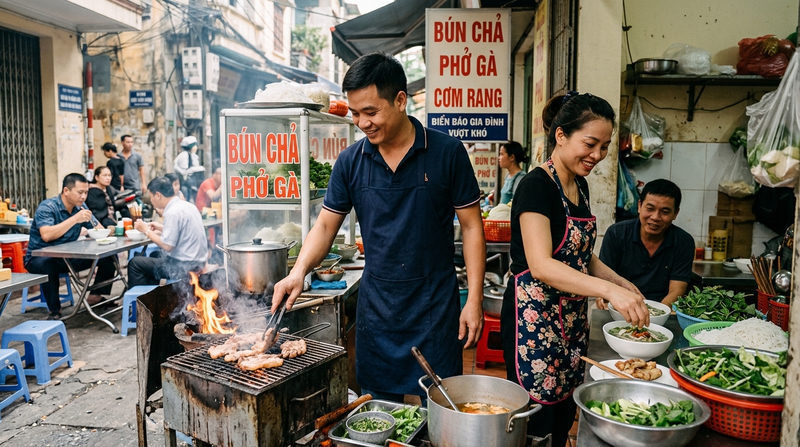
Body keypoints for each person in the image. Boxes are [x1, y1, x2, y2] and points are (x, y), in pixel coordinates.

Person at [272, 52, 486, 401]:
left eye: (371, 112)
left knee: (442, 410)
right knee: (382, 414)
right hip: (379, 310)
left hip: (433, 307)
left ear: (401, 100)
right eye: (356, 114)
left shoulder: (446, 153)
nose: (362, 123)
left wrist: (474, 297)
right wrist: (298, 272)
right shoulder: (351, 161)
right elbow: (326, 225)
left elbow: (473, 227)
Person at [500, 92, 649, 446]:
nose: (597, 155)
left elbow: (580, 254)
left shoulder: (579, 185)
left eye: (605, 146)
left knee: (564, 409)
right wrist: (609, 292)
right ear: (561, 136)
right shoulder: (536, 186)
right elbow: (542, 265)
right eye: (590, 144)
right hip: (532, 322)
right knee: (535, 420)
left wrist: (620, 282)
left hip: (569, 321)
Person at [24, 173, 117, 318]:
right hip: (38, 258)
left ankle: (95, 297)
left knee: (109, 255)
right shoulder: (48, 207)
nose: (83, 196)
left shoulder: (80, 207)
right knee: (49, 264)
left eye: (86, 192)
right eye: (80, 192)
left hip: (67, 256)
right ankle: (55, 311)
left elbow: (98, 228)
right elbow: (47, 235)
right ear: (66, 191)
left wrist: (109, 230)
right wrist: (75, 219)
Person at [598, 179, 694, 306]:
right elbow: (604, 279)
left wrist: (656, 314)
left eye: (665, 212)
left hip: (662, 308)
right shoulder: (616, 234)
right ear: (639, 206)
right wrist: (603, 298)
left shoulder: (683, 241)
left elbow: (677, 290)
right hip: (621, 306)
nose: (655, 217)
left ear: (675, 213)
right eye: (650, 208)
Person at [127, 176, 208, 287]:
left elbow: (167, 245)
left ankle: (138, 300)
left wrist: (145, 230)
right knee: (155, 254)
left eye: (151, 197)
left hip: (184, 266)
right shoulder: (187, 205)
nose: (151, 201)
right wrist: (161, 228)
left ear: (158, 195)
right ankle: (152, 295)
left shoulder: (172, 212)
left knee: (135, 263)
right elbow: (182, 231)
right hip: (199, 262)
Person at [496, 141, 528, 205]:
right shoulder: (508, 175)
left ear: (512, 157)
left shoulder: (520, 178)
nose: (499, 158)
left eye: (502, 154)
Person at [174, 135, 205, 201]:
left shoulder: (193, 156)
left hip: (191, 184)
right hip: (184, 184)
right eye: (194, 145)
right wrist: (196, 169)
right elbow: (184, 171)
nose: (196, 147)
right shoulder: (184, 155)